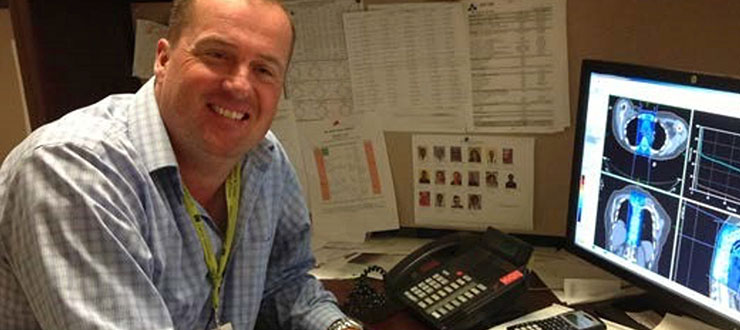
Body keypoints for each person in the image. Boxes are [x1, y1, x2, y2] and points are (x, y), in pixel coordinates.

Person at [0, 0, 362, 329]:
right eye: (217, 54)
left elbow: (285, 283)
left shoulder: (263, 157)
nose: (239, 85)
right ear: (163, 58)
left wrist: (338, 327)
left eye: (264, 70)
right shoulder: (73, 171)